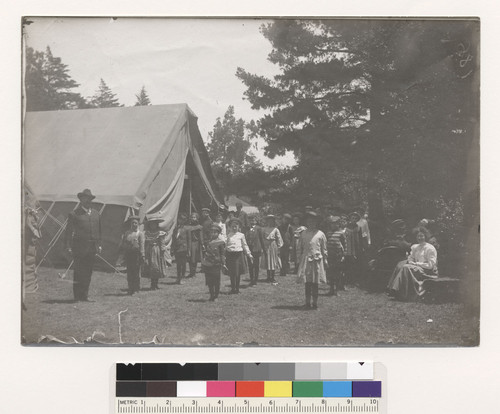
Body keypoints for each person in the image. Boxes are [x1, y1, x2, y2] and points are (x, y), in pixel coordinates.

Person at [65, 188, 102, 302]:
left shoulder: (96, 214)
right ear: (81, 200)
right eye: (85, 198)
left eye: (89, 199)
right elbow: (68, 232)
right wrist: (68, 246)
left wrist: (99, 245)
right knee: (79, 272)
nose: (87, 201)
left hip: (92, 248)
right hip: (79, 248)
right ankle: (77, 296)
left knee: (88, 272)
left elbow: (100, 231)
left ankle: (85, 295)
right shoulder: (74, 214)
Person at [387, 226, 438, 301]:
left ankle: (395, 289)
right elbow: (411, 257)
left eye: (422, 236)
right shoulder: (415, 247)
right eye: (418, 236)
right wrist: (411, 260)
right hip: (417, 268)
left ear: (425, 236)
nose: (420, 238)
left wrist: (416, 263)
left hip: (427, 271)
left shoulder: (430, 248)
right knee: (400, 264)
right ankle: (391, 288)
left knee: (406, 267)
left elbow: (430, 265)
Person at [296, 212, 328, 309]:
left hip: (316, 260)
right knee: (307, 282)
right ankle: (307, 302)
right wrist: (298, 258)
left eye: (313, 222)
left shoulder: (320, 234)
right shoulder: (303, 234)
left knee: (315, 282)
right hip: (306, 259)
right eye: (309, 221)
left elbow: (324, 248)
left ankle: (315, 303)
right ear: (306, 222)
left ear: (316, 223)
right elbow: (299, 247)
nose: (311, 223)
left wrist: (325, 259)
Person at [118, 216, 145, 295]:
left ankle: (136, 288)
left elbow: (142, 245)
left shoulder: (140, 234)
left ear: (138, 224)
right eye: (132, 223)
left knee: (136, 272)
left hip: (137, 255)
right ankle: (130, 288)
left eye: (135, 223)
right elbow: (123, 243)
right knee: (129, 272)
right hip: (129, 254)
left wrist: (142, 255)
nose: (134, 224)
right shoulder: (127, 233)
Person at [225, 218, 253, 293]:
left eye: (236, 226)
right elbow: (225, 245)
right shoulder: (228, 236)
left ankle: (237, 288)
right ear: (230, 227)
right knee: (232, 272)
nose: (234, 228)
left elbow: (245, 245)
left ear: (238, 227)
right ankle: (232, 288)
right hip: (230, 255)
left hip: (238, 255)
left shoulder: (241, 235)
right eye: (232, 226)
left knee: (237, 272)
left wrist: (249, 254)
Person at [142, 214, 168, 290]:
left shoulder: (160, 233)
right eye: (151, 224)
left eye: (154, 224)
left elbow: (162, 243)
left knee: (156, 267)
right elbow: (144, 242)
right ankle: (152, 284)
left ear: (157, 224)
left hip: (157, 251)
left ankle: (155, 283)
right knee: (150, 267)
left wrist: (162, 252)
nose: (152, 225)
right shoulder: (146, 233)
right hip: (149, 251)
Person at [202, 224, 226, 301]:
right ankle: (211, 295)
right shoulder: (207, 241)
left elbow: (222, 253)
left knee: (216, 281)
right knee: (209, 281)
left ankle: (216, 296)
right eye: (211, 232)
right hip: (208, 264)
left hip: (216, 264)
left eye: (215, 232)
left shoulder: (220, 243)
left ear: (218, 233)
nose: (213, 234)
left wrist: (223, 263)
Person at [325, 216, 346, 295]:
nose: (333, 226)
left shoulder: (341, 233)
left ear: (338, 224)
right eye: (332, 224)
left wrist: (344, 255)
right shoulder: (328, 233)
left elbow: (345, 244)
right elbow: (326, 243)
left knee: (337, 273)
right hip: (330, 256)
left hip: (338, 256)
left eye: (335, 224)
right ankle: (331, 289)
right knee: (330, 273)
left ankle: (336, 290)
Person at [261, 215, 283, 285]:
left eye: (271, 221)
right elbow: (262, 238)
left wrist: (279, 247)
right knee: (268, 260)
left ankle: (272, 277)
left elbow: (279, 238)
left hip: (273, 245)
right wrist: (263, 247)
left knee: (273, 260)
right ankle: (268, 277)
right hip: (266, 245)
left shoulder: (275, 229)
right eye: (268, 221)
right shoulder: (264, 229)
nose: (270, 222)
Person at [344, 212, 364, 287]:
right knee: (347, 264)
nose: (354, 220)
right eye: (353, 218)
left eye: (356, 218)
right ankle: (346, 280)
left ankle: (354, 280)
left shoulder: (358, 227)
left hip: (355, 248)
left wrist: (360, 248)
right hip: (347, 247)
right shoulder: (346, 227)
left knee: (354, 265)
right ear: (350, 219)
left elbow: (360, 239)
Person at [171, 214, 190, 284]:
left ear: (184, 221)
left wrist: (189, 249)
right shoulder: (175, 229)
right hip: (177, 248)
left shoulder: (186, 229)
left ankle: (182, 277)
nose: (180, 221)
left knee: (183, 264)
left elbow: (189, 240)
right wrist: (172, 248)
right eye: (179, 219)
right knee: (178, 264)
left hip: (184, 248)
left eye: (182, 220)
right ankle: (178, 277)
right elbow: (173, 239)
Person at [246, 216, 265, 285]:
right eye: (250, 220)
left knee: (256, 265)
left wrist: (263, 248)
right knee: (250, 265)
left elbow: (261, 239)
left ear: (256, 221)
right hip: (249, 249)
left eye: (253, 220)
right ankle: (251, 279)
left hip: (256, 249)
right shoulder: (247, 228)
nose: (252, 221)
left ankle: (255, 280)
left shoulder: (259, 228)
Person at [186, 212, 203, 277]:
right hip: (190, 243)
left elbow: (201, 236)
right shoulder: (188, 227)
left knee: (195, 258)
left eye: (194, 217)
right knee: (190, 258)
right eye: (192, 217)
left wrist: (202, 244)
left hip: (196, 243)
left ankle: (193, 272)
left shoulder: (199, 227)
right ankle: (191, 272)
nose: (193, 219)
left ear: (197, 218)